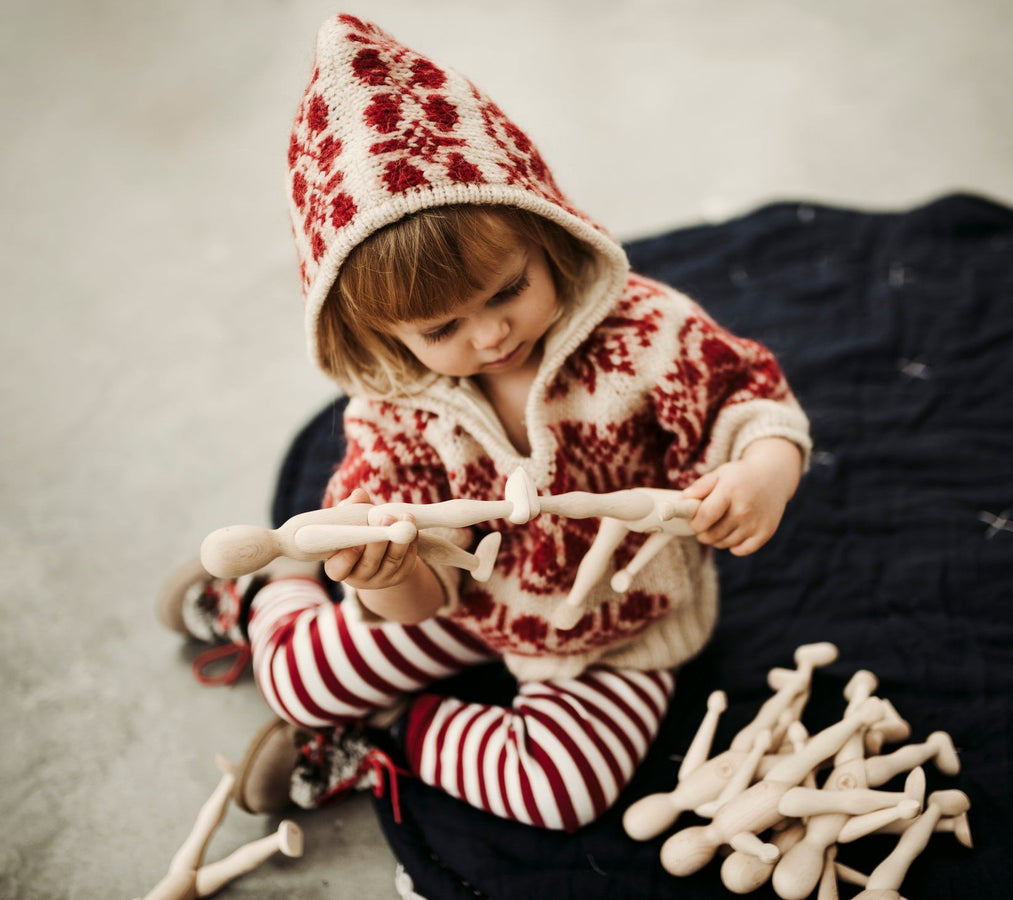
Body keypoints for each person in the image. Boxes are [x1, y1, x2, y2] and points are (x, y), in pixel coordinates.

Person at [161, 12, 811, 832]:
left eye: (508, 290)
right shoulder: (393, 417)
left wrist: (765, 473)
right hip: (468, 609)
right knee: (298, 683)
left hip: (618, 624)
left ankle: (383, 732)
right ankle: (271, 586)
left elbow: (754, 401)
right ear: (380, 337)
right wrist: (383, 573)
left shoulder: (647, 334)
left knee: (562, 795)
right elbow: (422, 603)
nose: (491, 335)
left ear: (546, 232)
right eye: (442, 331)